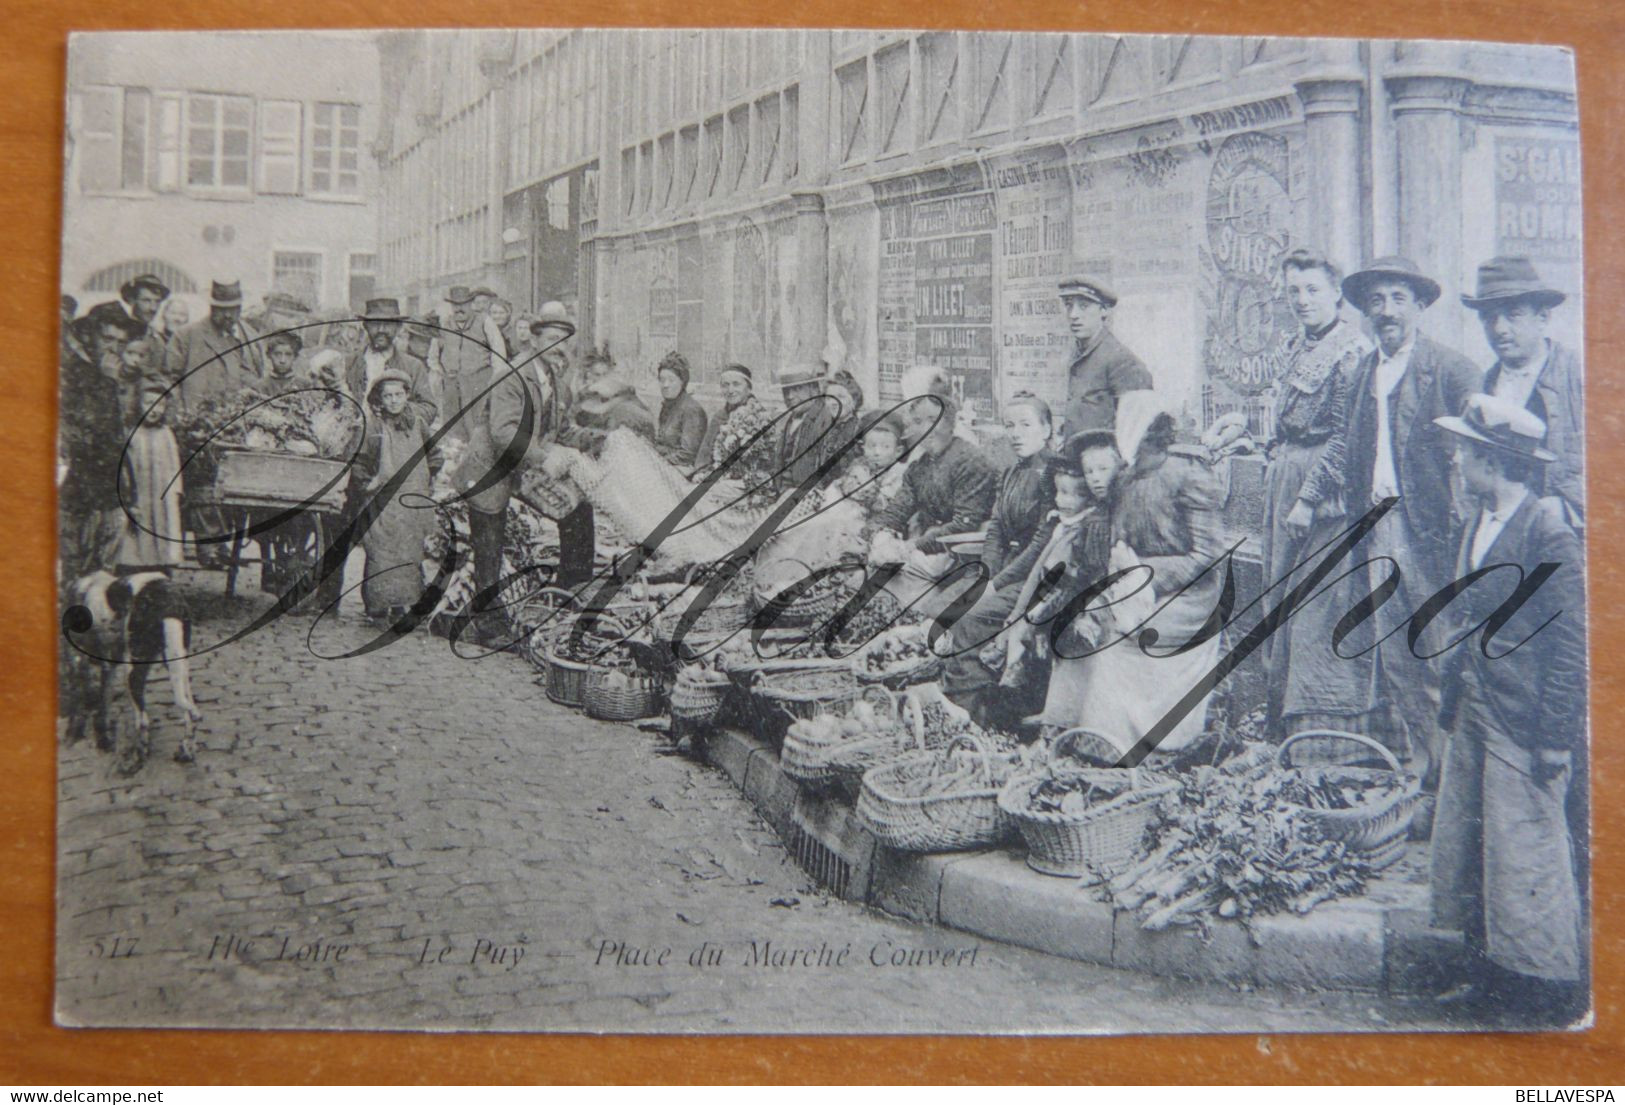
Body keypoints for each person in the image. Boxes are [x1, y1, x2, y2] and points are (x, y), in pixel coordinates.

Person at [1428, 394, 1586, 1025]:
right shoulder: (1480, 519)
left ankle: (1542, 990)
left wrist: (1554, 737)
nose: (1458, 458)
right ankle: (1486, 975)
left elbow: (1572, 642)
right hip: (1474, 702)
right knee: (1473, 842)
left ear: (1493, 461)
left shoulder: (1546, 528)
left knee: (1526, 850)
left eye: (1466, 449)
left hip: (1522, 718)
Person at [1341, 256, 1482, 788]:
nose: (1387, 311)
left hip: (1430, 535)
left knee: (1440, 653)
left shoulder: (1451, 369)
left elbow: (1475, 461)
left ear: (1420, 308)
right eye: (1376, 301)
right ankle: (1426, 769)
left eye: (1398, 299)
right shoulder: (1361, 374)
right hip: (1378, 528)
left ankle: (1458, 782)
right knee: (1397, 657)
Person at [1062, 392, 1226, 759]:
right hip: (1138, 585)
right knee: (1085, 624)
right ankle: (1090, 735)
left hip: (1190, 596)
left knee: (1123, 639)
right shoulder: (1127, 480)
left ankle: (1145, 742)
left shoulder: (1189, 477)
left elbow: (1206, 555)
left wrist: (1148, 577)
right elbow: (1116, 543)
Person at [1260, 249, 1373, 738]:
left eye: (1312, 290)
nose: (1302, 300)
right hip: (1285, 472)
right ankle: (1278, 723)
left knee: (1314, 601)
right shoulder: (1297, 344)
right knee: (1277, 596)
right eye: (1293, 291)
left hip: (1321, 487)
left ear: (1336, 293)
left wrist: (1308, 497)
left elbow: (1345, 435)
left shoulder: (1351, 351)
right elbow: (1285, 413)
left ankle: (1318, 732)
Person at [1461, 256, 1584, 525]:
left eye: (1513, 314)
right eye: (1489, 318)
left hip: (1567, 539)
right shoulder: (1483, 390)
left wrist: (1568, 507)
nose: (1499, 329)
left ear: (1542, 318)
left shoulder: (1580, 377)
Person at [351, 369, 443, 622]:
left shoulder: (419, 424)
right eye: (387, 396)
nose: (393, 400)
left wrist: (425, 479)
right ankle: (377, 605)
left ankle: (404, 603)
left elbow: (435, 456)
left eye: (398, 395)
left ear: (407, 396)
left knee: (409, 552)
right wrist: (368, 484)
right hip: (382, 502)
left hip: (412, 502)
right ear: (379, 399)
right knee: (380, 552)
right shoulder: (373, 427)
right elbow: (359, 463)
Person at [61, 302, 140, 579]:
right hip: (78, 484)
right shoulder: (73, 372)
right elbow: (87, 430)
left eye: (121, 342)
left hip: (104, 483)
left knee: (102, 563)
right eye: (107, 339)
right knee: (73, 560)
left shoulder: (108, 375)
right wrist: (106, 382)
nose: (114, 348)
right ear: (89, 336)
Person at [871, 395, 998, 558]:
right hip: (934, 550)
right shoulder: (918, 468)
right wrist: (868, 533)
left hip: (970, 554)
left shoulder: (972, 462)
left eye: (933, 420)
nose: (926, 430)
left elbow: (964, 525)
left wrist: (912, 546)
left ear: (951, 424)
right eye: (917, 422)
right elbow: (897, 511)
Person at [1057, 273, 1152, 438]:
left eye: (1084, 306)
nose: (1073, 315)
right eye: (1069, 305)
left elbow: (1138, 432)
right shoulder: (1080, 352)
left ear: (1104, 311)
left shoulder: (1122, 362)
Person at [981, 392, 1060, 580]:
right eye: (1010, 426)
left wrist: (995, 584)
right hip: (1005, 566)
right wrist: (985, 575)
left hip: (1034, 575)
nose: (1015, 433)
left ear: (1046, 430)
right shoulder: (1010, 472)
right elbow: (996, 528)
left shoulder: (1054, 473)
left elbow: (1041, 544)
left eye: (1025, 424)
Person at [114, 378, 185, 573]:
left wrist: (176, 491)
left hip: (162, 490)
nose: (154, 410)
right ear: (138, 404)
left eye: (159, 405)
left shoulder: (166, 433)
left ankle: (161, 561)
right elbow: (125, 465)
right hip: (140, 488)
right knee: (139, 522)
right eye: (148, 404)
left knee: (161, 522)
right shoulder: (132, 433)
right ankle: (135, 562)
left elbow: (174, 464)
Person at [166, 279, 266, 416]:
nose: (228, 315)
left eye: (233, 309)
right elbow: (169, 380)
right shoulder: (186, 335)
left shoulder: (248, 337)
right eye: (222, 309)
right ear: (211, 307)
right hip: (195, 420)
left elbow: (253, 376)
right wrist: (181, 414)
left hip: (235, 420)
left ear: (240, 308)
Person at [342, 298, 436, 426]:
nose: (381, 329)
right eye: (375, 324)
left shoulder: (413, 366)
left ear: (398, 327)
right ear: (365, 325)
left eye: (388, 324)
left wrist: (398, 411)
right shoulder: (348, 364)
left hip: (395, 439)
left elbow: (429, 409)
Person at [696, 363, 775, 485]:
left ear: (748, 388)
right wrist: (702, 473)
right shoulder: (719, 417)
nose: (730, 390)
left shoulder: (759, 418)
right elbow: (704, 456)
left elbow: (762, 464)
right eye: (725, 385)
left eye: (736, 384)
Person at [653, 351, 709, 467]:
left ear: (682, 382)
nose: (665, 385)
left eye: (671, 380)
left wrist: (655, 462)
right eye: (662, 380)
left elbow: (688, 455)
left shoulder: (692, 410)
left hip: (681, 471)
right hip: (664, 465)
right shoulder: (668, 406)